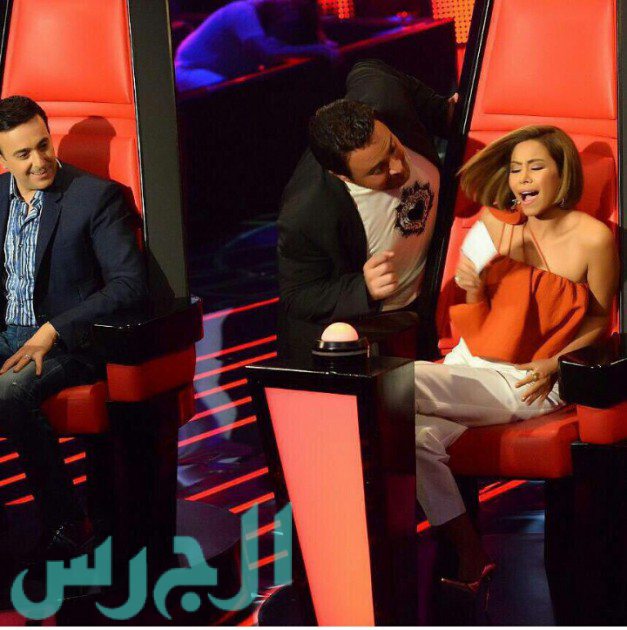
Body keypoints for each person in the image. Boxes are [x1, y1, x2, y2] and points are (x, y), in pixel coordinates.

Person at [413, 125, 619, 590]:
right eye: (514, 168)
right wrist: (472, 289)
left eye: (535, 167)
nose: (522, 178)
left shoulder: (594, 239)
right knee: (415, 436)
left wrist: (556, 365)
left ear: (562, 174)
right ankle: (471, 556)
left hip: (531, 377)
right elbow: (479, 319)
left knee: (398, 383)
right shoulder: (493, 228)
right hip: (472, 363)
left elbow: (598, 321)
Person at [0, 96, 147, 558]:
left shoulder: (94, 197)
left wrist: (52, 331)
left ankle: (67, 519)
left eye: (43, 145)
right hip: (6, 333)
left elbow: (129, 284)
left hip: (68, 343)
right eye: (23, 154)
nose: (39, 160)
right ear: (3, 159)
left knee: (8, 392)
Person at [278, 59, 457, 361]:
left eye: (392, 147)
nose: (398, 167)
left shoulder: (383, 98)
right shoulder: (307, 211)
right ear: (342, 176)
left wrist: (441, 113)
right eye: (378, 169)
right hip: (367, 331)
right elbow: (298, 295)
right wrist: (363, 288)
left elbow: (367, 68)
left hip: (430, 300)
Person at [175, 0, 340, 91]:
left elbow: (280, 48)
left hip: (220, 72)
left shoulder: (270, 16)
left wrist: (321, 43)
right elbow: (266, 52)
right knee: (224, 95)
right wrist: (317, 50)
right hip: (189, 71)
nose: (289, 7)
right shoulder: (242, 11)